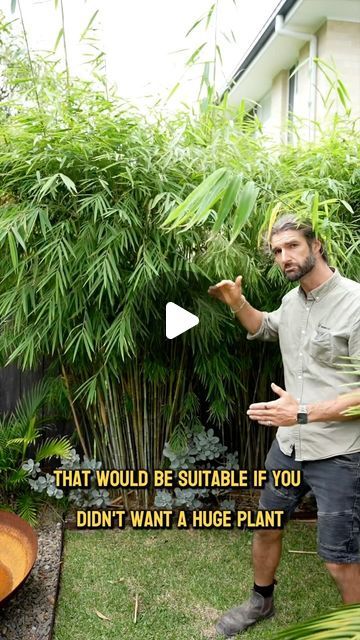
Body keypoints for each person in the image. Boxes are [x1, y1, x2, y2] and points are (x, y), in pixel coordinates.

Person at [208, 214, 360, 637]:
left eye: (292, 246)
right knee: (266, 526)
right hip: (289, 447)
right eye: (277, 251)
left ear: (317, 244)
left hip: (339, 453)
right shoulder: (293, 303)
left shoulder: (356, 304)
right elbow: (264, 327)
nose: (284, 257)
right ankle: (261, 601)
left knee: (339, 556)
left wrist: (303, 412)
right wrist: (237, 302)